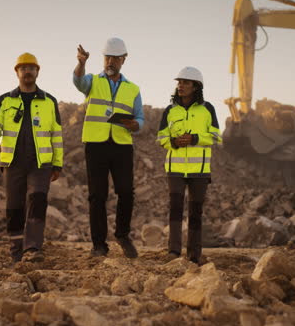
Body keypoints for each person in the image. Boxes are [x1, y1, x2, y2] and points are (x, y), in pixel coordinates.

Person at [0, 52, 63, 263]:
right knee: (14, 206)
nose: (27, 71)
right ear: (17, 72)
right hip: (12, 162)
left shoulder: (49, 101)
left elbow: (56, 134)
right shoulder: (4, 100)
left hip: (41, 163)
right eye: (23, 68)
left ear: (37, 72)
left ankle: (33, 248)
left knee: (37, 200)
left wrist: (57, 163)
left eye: (31, 68)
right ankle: (16, 251)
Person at [73, 37, 144, 258]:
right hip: (96, 144)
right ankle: (99, 245)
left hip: (122, 145)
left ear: (123, 60)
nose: (110, 62)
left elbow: (140, 118)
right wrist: (81, 63)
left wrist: (135, 125)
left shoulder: (133, 89)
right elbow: (77, 81)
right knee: (97, 195)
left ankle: (122, 235)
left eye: (115, 58)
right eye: (107, 58)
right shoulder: (92, 81)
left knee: (126, 192)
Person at [155, 66, 220, 264]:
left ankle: (194, 255)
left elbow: (216, 137)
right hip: (175, 169)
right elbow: (161, 138)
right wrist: (174, 142)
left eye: (185, 82)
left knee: (195, 211)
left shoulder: (207, 109)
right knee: (175, 208)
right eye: (179, 82)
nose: (180, 86)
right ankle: (174, 251)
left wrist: (195, 138)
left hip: (199, 170)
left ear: (196, 86)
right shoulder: (170, 110)